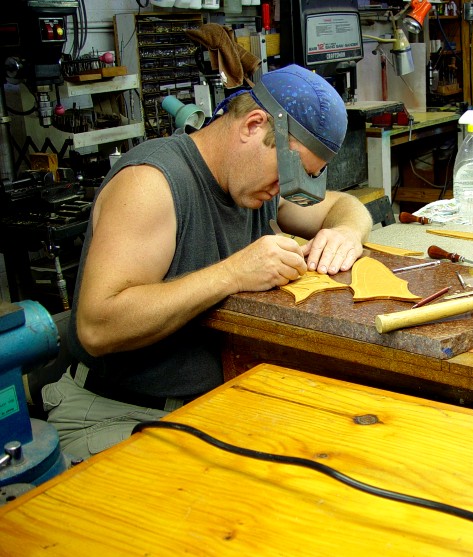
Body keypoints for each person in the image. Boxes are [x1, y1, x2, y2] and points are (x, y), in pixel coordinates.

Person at [42, 65, 373, 460]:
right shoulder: (152, 184)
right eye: (292, 172)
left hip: (212, 405)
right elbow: (97, 327)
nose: (287, 190)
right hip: (119, 413)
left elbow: (343, 205)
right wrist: (233, 273)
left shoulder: (255, 180)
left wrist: (346, 232)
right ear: (253, 126)